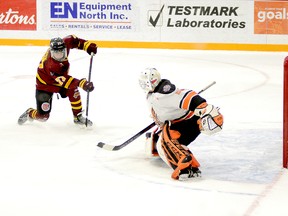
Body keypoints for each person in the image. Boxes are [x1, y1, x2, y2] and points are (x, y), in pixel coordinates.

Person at [138, 68, 223, 180]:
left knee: (163, 145)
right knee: (159, 143)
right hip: (183, 123)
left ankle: (185, 167)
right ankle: (187, 160)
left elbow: (187, 96)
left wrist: (202, 107)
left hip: (185, 123)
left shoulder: (163, 93)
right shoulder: (155, 94)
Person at [18, 35, 97, 126]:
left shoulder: (64, 44)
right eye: (56, 53)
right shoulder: (51, 65)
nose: (59, 55)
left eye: (61, 52)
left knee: (73, 90)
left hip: (58, 81)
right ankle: (30, 113)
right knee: (43, 117)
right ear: (51, 52)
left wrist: (87, 46)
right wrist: (82, 83)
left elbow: (72, 40)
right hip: (45, 86)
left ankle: (77, 117)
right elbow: (67, 81)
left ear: (64, 49)